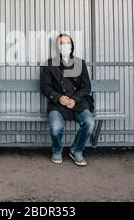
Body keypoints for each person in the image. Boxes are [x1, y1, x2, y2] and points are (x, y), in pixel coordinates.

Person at [40, 34, 94, 166]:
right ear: (58, 46)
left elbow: (86, 87)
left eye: (68, 42)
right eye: (62, 43)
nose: (65, 45)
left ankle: (76, 150)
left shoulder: (79, 63)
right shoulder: (50, 64)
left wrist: (75, 99)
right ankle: (57, 150)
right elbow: (44, 87)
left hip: (78, 104)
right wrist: (59, 98)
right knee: (56, 128)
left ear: (72, 45)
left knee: (89, 122)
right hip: (57, 105)